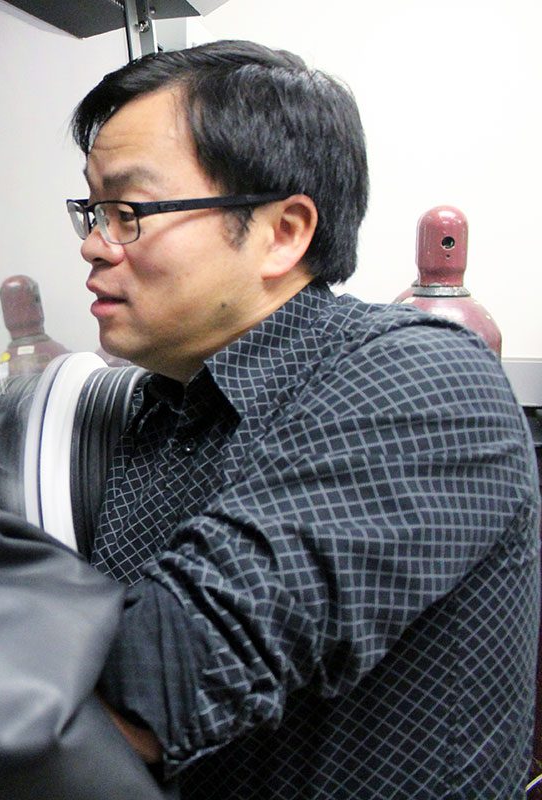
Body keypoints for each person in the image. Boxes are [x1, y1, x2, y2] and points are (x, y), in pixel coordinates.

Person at [65, 40, 541, 797]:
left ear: (283, 231)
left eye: (128, 212)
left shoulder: (423, 383)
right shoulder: (162, 409)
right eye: (92, 211)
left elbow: (150, 687)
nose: (94, 244)